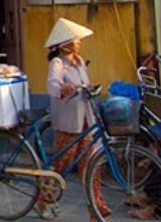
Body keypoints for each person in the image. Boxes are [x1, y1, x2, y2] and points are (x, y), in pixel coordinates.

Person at [39, 17, 110, 221]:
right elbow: (52, 86)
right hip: (69, 123)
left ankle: (96, 209)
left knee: (90, 166)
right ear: (64, 43)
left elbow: (83, 85)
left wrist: (89, 88)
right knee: (60, 166)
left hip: (85, 120)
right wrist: (63, 89)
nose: (78, 43)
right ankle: (43, 200)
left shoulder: (79, 62)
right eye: (75, 40)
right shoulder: (58, 62)